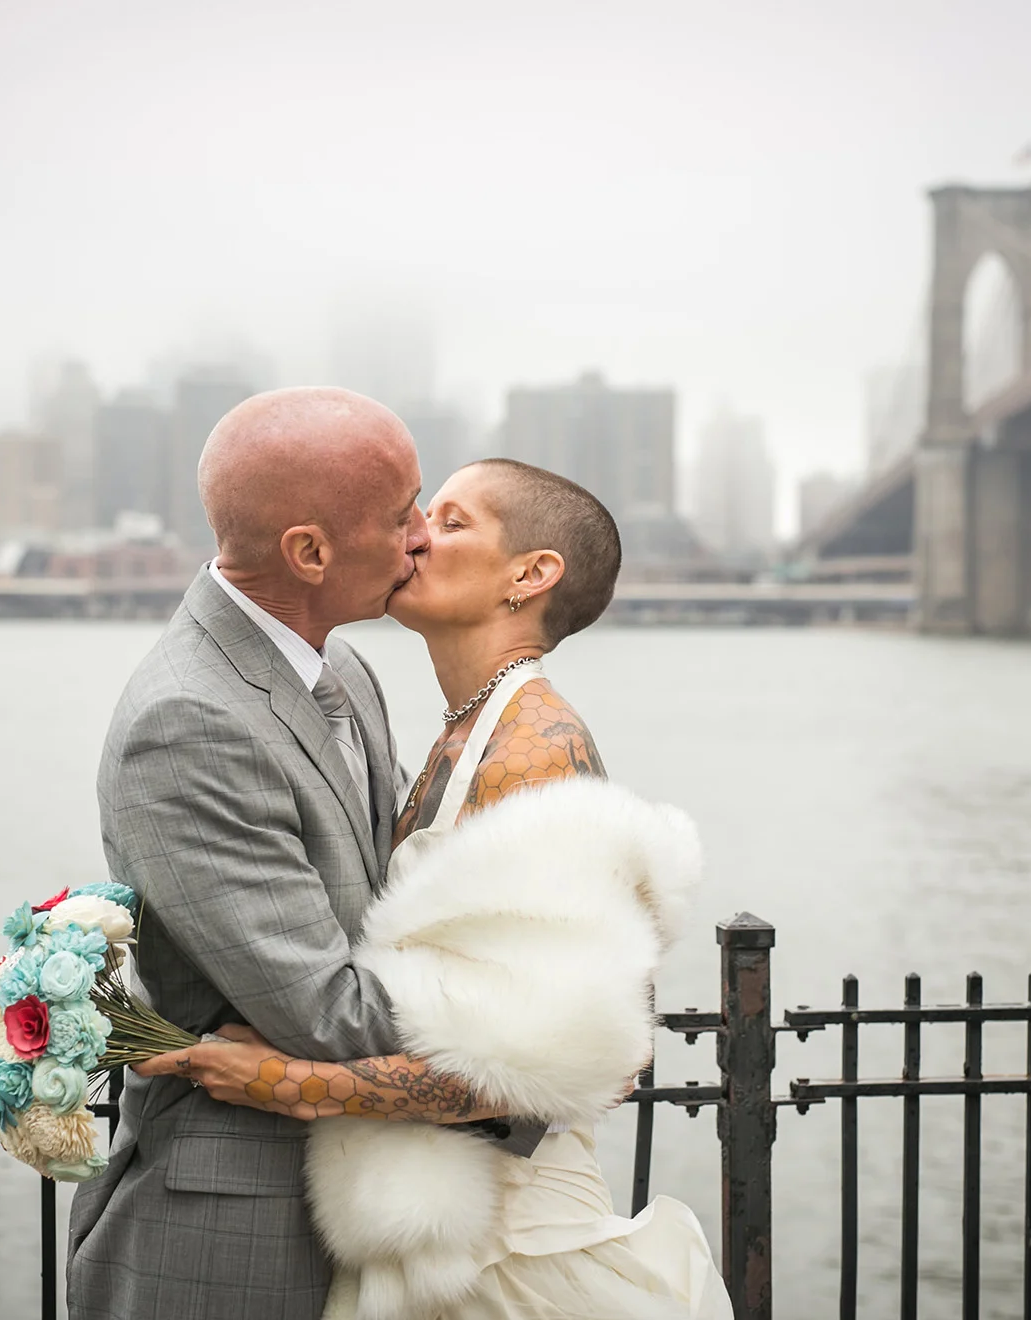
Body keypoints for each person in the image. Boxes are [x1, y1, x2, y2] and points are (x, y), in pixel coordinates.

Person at [139, 459, 729, 1320]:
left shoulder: (535, 750)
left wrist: (284, 1082)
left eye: (451, 523)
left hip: (506, 1244)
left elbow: (567, 1069)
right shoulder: (461, 728)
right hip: (431, 1235)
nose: (416, 536)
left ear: (531, 574)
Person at [66, 389, 542, 1320]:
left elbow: (403, 897)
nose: (421, 536)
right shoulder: (188, 721)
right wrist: (539, 1033)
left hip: (372, 1209)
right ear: (310, 553)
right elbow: (329, 1015)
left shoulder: (344, 669)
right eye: (400, 514)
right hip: (237, 1235)